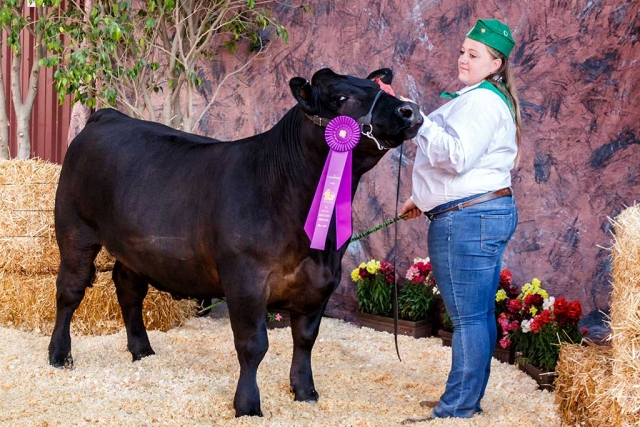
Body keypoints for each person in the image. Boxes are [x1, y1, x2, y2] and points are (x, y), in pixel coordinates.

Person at [399, 18, 521, 422]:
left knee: (469, 319)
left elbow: (456, 156)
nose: (463, 58)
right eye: (463, 51)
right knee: (479, 316)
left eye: (474, 54)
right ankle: (467, 399)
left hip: (468, 219)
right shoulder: (478, 98)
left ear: (496, 63)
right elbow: (467, 165)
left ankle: (456, 408)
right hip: (478, 212)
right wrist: (423, 198)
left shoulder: (483, 101)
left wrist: (418, 118)